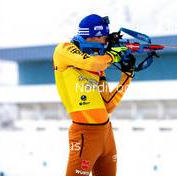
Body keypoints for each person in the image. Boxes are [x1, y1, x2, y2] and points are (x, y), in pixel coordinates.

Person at [53, 14, 135, 176]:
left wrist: (127, 74)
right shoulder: (64, 50)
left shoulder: (98, 65)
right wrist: (113, 55)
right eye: (103, 38)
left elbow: (108, 105)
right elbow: (89, 62)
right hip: (85, 134)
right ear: (91, 37)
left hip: (107, 134)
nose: (105, 42)